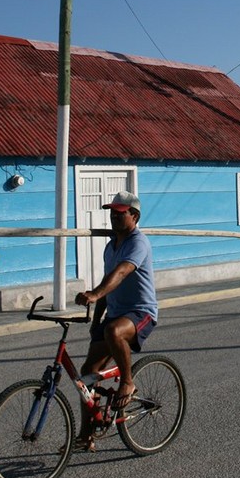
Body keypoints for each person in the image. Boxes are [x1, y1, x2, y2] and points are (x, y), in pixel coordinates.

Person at [72, 190, 157, 451]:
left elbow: (121, 273)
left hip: (141, 313)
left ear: (135, 216)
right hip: (116, 314)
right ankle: (87, 435)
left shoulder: (138, 242)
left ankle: (128, 383)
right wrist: (95, 320)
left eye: (120, 213)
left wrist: (95, 294)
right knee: (87, 376)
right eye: (112, 212)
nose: (114, 217)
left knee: (114, 331)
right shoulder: (112, 246)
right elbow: (108, 283)